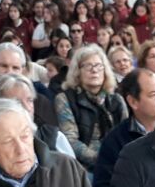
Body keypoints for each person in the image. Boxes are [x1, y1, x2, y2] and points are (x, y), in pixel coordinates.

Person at [54, 44, 128, 172]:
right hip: (83, 168)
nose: (94, 70)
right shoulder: (65, 99)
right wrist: (104, 160)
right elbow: (70, 141)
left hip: (118, 164)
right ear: (77, 71)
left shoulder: (116, 99)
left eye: (98, 66)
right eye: (88, 66)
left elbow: (127, 136)